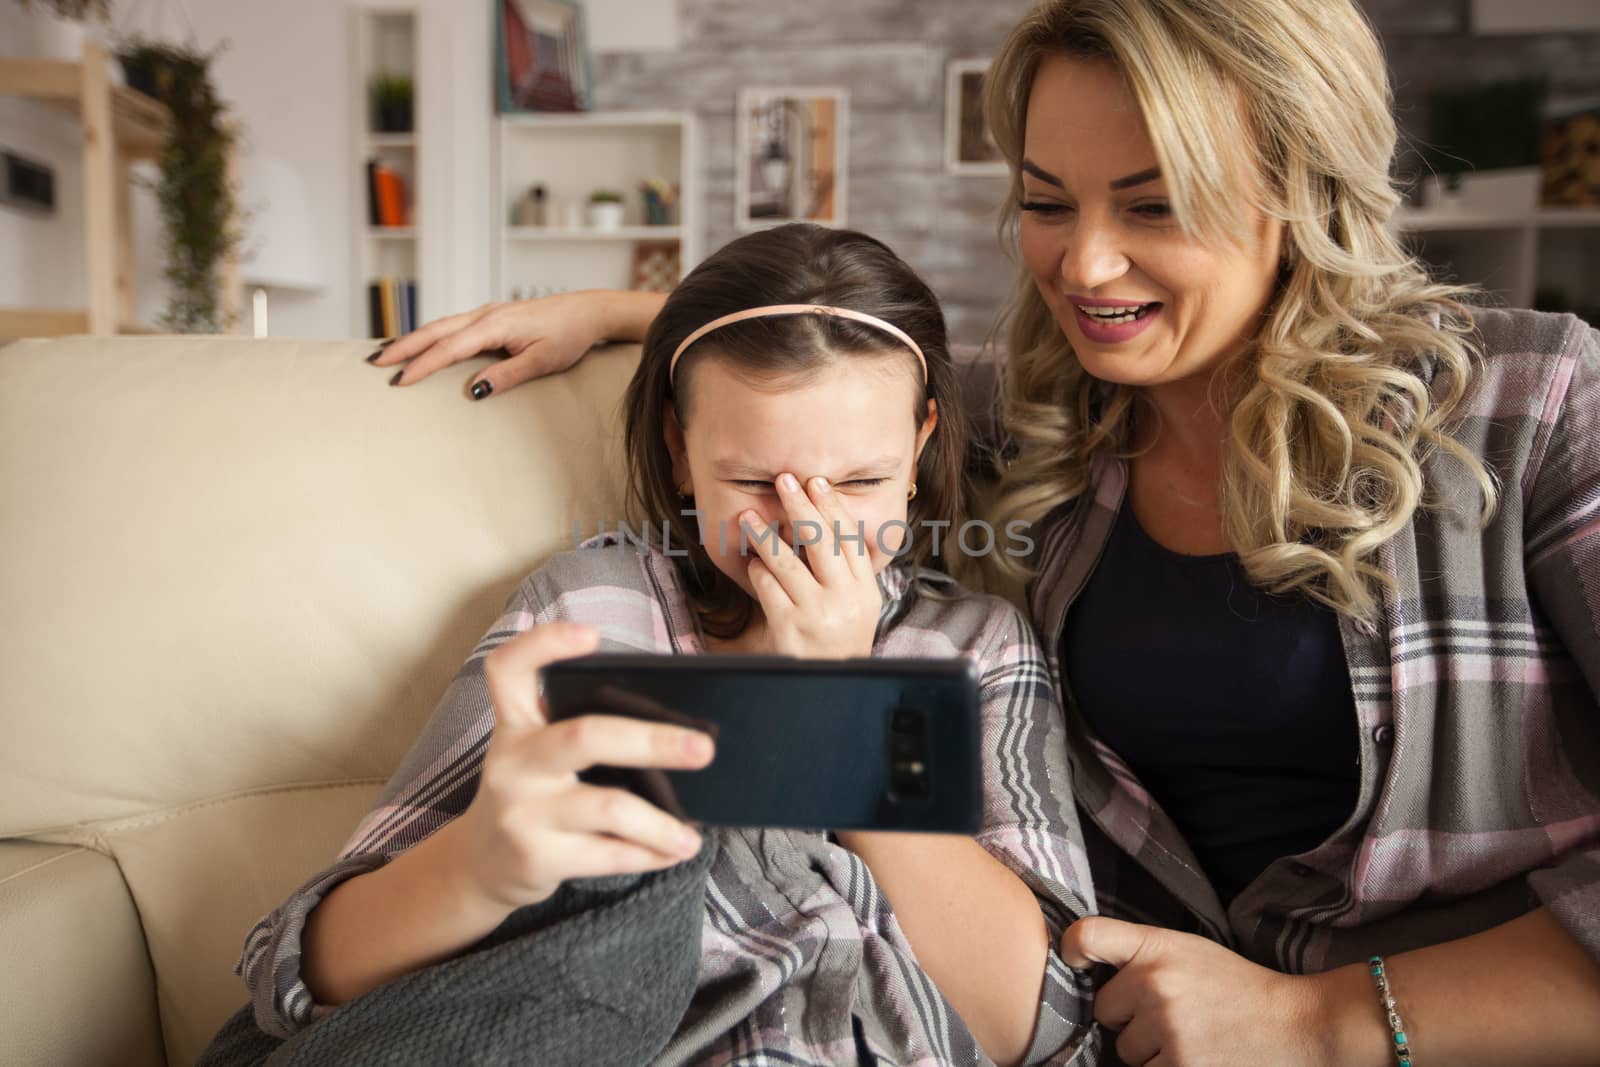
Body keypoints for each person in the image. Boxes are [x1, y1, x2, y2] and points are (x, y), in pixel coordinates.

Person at [370, 0, 1600, 1063]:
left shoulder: (1537, 407)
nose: (1085, 263)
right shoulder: (1042, 417)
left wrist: (1324, 1022)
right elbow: (833, 368)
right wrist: (610, 309)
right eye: (1045, 202)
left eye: (1154, 204)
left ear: (1306, 192)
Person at [239, 223, 1100, 1067]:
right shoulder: (595, 607)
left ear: (918, 453)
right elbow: (299, 973)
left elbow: (1040, 1017)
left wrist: (848, 707)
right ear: (680, 452)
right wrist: (477, 865)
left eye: (863, 482)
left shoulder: (976, 646)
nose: (809, 527)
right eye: (756, 482)